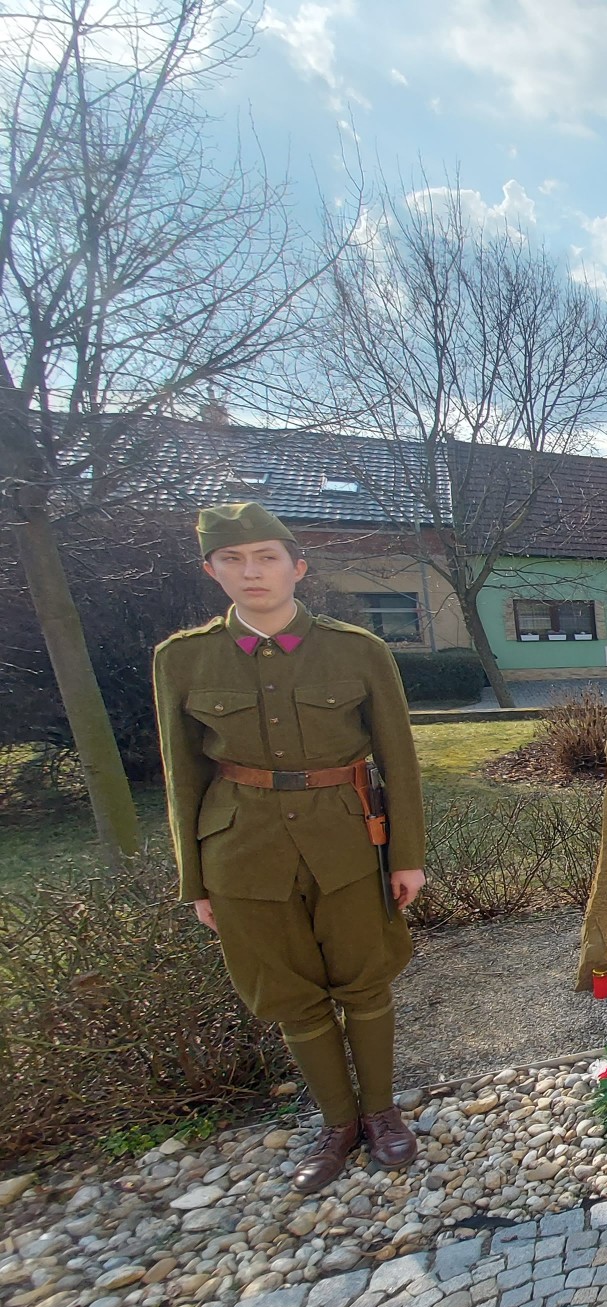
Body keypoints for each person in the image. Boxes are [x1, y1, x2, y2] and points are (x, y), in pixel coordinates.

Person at [153, 502, 428, 1194]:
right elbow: (181, 773)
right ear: (212, 570)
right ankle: (338, 1124)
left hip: (346, 841)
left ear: (297, 567)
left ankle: (380, 1112)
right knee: (288, 993)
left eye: (266, 558)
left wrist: (406, 856)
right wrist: (196, 882)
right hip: (241, 851)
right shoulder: (182, 659)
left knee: (364, 980)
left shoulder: (357, 651)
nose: (252, 572)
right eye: (234, 559)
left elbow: (399, 759)